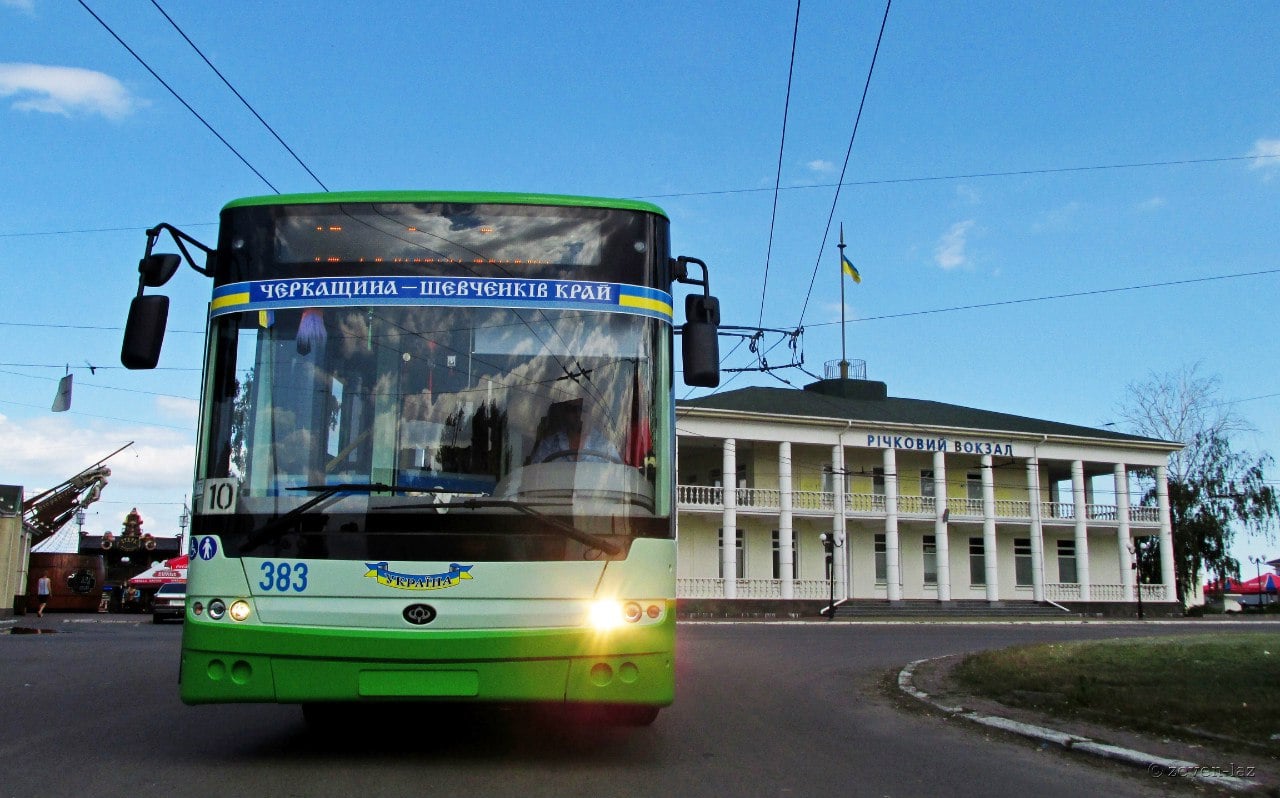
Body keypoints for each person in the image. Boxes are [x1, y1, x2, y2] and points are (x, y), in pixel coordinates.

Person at [530, 400, 621, 464]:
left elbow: (618, 481)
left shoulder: (606, 448)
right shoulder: (548, 445)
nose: (578, 414)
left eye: (583, 409)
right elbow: (534, 477)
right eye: (573, 409)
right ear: (565, 413)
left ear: (592, 413)